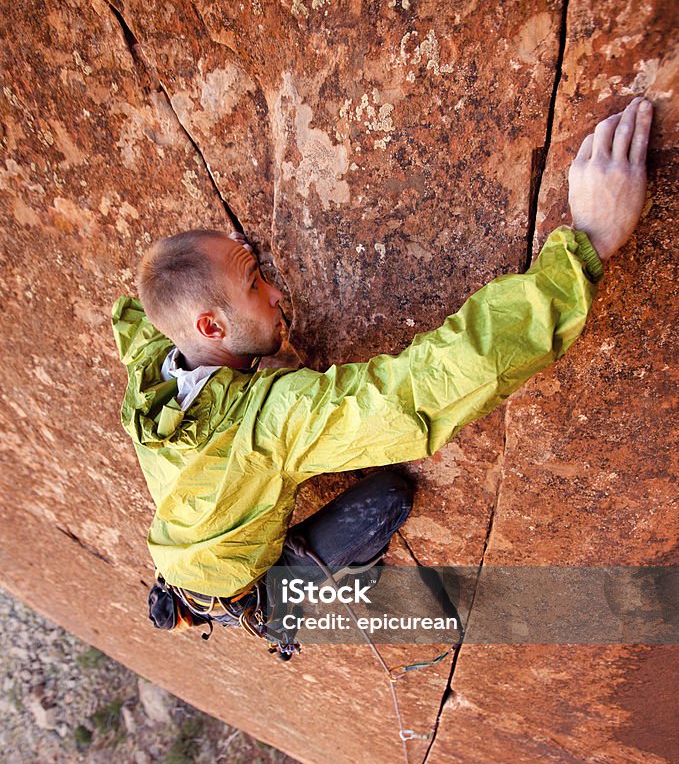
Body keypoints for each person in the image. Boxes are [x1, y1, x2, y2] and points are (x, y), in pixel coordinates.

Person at [111, 97, 653, 655]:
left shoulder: (153, 366)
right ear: (209, 326)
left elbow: (135, 315)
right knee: (390, 494)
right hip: (230, 583)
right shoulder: (271, 426)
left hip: (184, 558)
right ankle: (273, 611)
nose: (275, 292)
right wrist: (588, 244)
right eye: (254, 284)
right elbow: (421, 387)